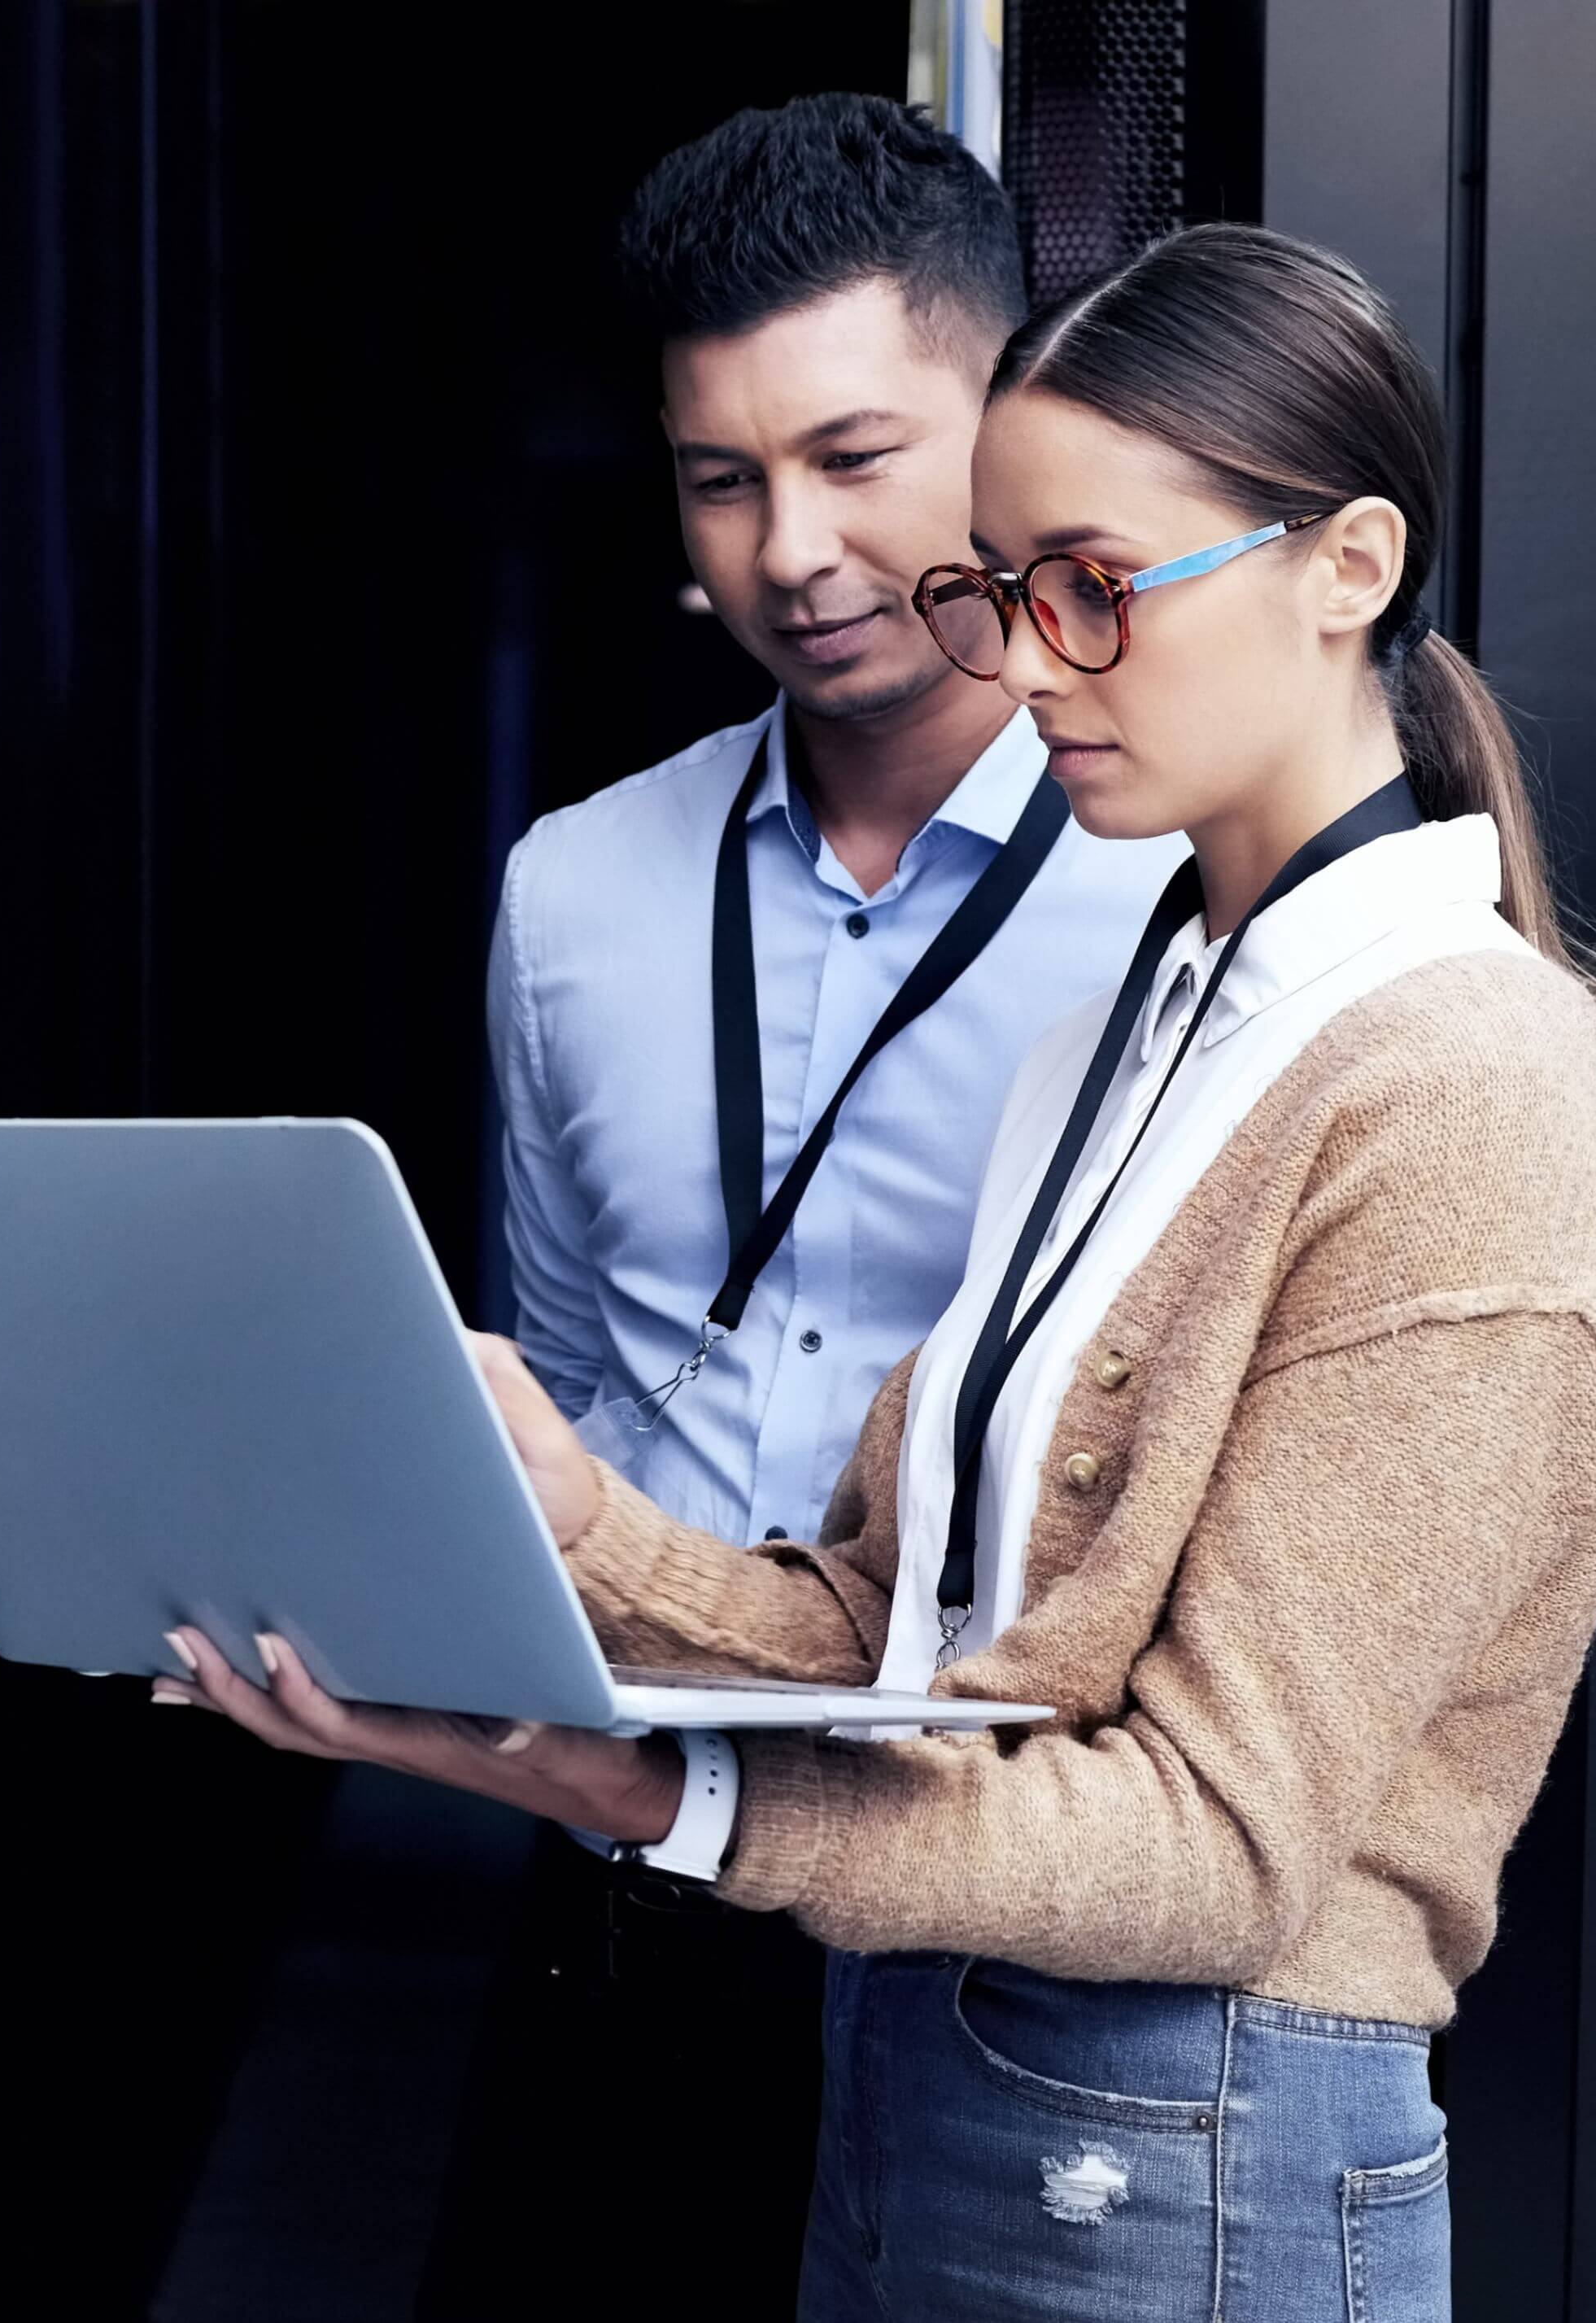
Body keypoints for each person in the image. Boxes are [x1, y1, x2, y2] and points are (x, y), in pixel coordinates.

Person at [155, 223, 1596, 2322]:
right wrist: (572, 1525)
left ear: (1347, 565)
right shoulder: (1160, 1008)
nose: (1030, 659)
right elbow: (909, 1634)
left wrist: (653, 1785)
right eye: (1005, 591)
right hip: (941, 2084)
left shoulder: (1470, 1089)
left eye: (1096, 590)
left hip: (1199, 2154)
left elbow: (1216, 1845)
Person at [425, 94, 1182, 2314]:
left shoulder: (1177, 894)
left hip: (1008, 1898)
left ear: (1014, 426)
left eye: (858, 459)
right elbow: (559, 1380)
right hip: (627, 1868)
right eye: (724, 477)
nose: (794, 553)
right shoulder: (571, 893)